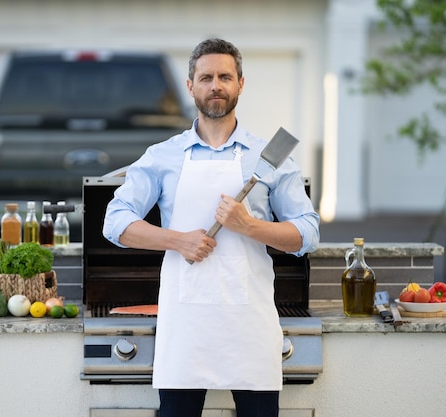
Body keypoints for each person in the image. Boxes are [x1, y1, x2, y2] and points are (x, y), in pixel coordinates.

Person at [103, 38, 320, 417]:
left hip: (249, 324)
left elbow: (308, 234)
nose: (215, 85)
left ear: (240, 83)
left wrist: (248, 226)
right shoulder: (163, 155)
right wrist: (179, 241)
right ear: (191, 86)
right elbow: (115, 222)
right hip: (186, 325)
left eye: (224, 76)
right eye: (206, 77)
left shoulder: (268, 156)